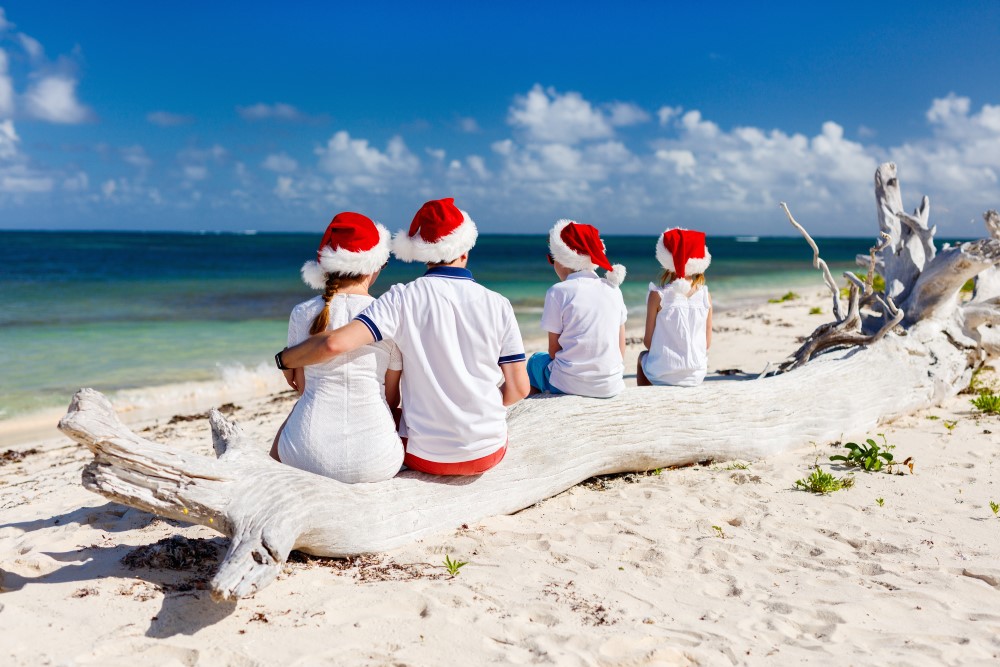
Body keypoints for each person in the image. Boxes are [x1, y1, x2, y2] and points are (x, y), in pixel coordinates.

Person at [277, 198, 530, 476]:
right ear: (466, 248)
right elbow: (519, 389)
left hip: (426, 455)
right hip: (489, 451)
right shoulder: (499, 303)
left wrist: (285, 359)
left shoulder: (400, 299)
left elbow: (333, 344)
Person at [271, 211, 404, 483]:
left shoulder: (302, 312)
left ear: (325, 268)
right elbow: (391, 400)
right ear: (374, 265)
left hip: (305, 454)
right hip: (375, 461)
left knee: (294, 419)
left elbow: (302, 387)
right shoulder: (388, 316)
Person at [527, 219, 627, 398]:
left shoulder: (558, 291)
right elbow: (621, 347)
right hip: (611, 384)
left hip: (570, 384)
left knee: (535, 361)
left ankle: (536, 404)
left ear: (563, 260)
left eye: (552, 259)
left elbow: (553, 351)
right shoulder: (613, 289)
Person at [637, 228, 713, 387]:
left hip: (663, 376)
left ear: (666, 260)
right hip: (696, 375)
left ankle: (645, 402)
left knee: (642, 357)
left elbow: (648, 342)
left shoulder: (658, 295)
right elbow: (706, 343)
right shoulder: (705, 296)